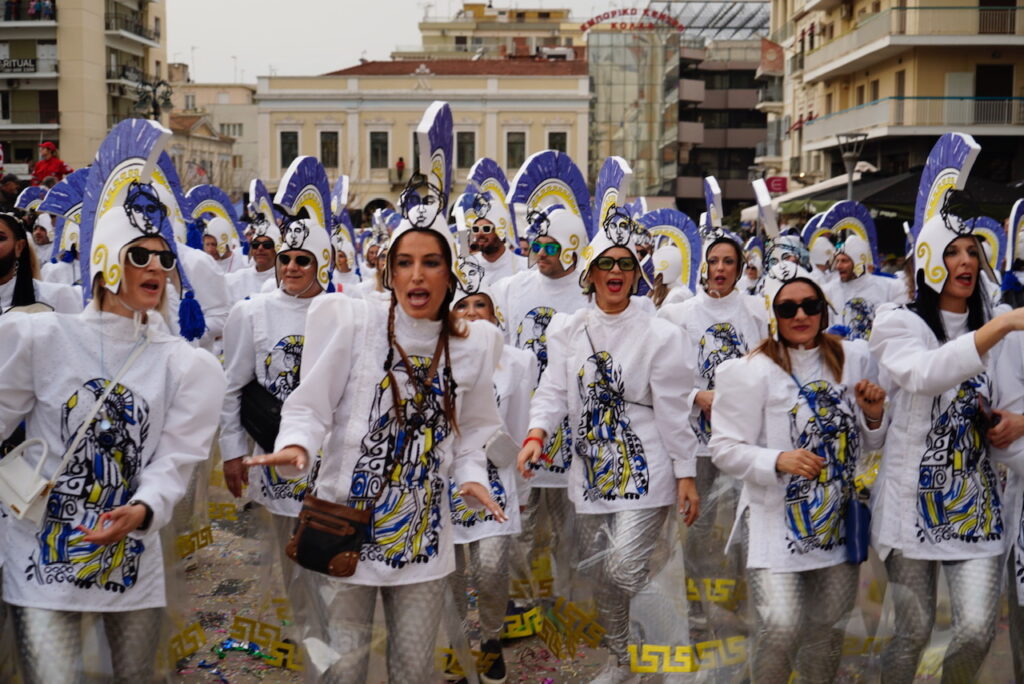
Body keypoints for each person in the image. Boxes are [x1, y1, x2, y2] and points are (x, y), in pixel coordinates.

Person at [245, 102, 506, 684]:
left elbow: (474, 438)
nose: (417, 275)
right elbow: (309, 407)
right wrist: (297, 446)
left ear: (451, 273)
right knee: (344, 670)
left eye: (431, 263)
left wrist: (472, 479)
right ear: (389, 269)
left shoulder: (473, 346)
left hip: (424, 543)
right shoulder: (352, 321)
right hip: (345, 529)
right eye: (405, 262)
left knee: (413, 671)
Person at [0, 118, 225, 683]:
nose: (157, 268)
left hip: (130, 556)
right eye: (141, 256)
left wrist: (146, 508)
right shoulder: (42, 337)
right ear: (105, 260)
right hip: (38, 553)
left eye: (165, 258)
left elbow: (175, 460)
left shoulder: (183, 363)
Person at [518, 197, 700, 683]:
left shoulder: (660, 335)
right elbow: (553, 392)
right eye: (606, 264)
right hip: (591, 472)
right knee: (602, 572)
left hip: (648, 471)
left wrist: (686, 474)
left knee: (622, 568)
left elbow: (674, 411)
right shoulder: (568, 330)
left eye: (625, 264)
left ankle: (657, 639)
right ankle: (621, 660)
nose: (615, 271)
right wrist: (537, 433)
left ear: (636, 274)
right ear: (591, 274)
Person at [710, 263, 886, 684]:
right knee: (782, 625)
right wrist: (777, 460)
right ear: (774, 316)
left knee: (827, 629)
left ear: (823, 311)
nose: (800, 316)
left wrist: (875, 415)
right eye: (788, 309)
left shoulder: (855, 359)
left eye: (810, 305)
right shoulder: (749, 371)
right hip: (774, 523)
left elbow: (873, 443)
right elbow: (724, 448)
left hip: (840, 525)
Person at [869, 209, 1024, 683]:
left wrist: (1013, 426)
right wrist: (1001, 327)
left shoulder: (1000, 327)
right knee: (912, 633)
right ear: (927, 262)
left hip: (975, 509)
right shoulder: (896, 322)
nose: (965, 261)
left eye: (972, 252)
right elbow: (924, 375)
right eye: (952, 252)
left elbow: (1011, 414)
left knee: (977, 631)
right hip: (908, 510)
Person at [219, 158, 334, 640]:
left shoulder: (343, 311)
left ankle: (331, 635)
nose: (289, 267)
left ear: (321, 263)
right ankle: (310, 639)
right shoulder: (252, 313)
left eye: (301, 260)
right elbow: (232, 386)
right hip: (276, 447)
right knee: (292, 547)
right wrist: (231, 454)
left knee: (332, 544)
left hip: (331, 454)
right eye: (285, 257)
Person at [490, 150, 592, 589]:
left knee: (573, 528)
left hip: (573, 425)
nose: (541, 254)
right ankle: (525, 602)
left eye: (551, 247)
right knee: (524, 527)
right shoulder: (511, 289)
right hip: (522, 423)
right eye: (536, 245)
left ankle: (572, 601)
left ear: (571, 247)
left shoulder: (590, 291)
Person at [658, 230, 767, 637]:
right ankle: (697, 616)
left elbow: (767, 369)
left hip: (742, 441)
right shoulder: (679, 315)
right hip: (696, 445)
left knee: (744, 526)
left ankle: (738, 609)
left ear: (740, 270)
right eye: (715, 261)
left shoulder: (755, 312)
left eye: (729, 262)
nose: (721, 269)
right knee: (697, 531)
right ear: (704, 267)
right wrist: (696, 396)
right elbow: (662, 376)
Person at [448, 269, 534, 684]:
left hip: (496, 478)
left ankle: (492, 638)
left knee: (492, 568)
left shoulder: (519, 361)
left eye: (479, 303)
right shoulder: (436, 354)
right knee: (449, 573)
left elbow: (518, 425)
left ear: (495, 312)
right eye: (461, 305)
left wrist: (519, 481)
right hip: (445, 479)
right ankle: (457, 647)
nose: (471, 312)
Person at [456, 158, 524, 286]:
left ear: (500, 230)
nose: (480, 234)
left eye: (486, 229)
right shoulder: (468, 268)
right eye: (476, 229)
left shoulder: (524, 268)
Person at [0, 212, 79, 314]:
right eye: (36, 229)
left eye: (0, 238)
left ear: (19, 247)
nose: (38, 233)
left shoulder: (54, 297)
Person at [225, 180, 280, 301]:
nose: (260, 248)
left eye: (267, 244)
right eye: (255, 244)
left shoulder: (285, 280)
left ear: (277, 249)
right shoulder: (236, 279)